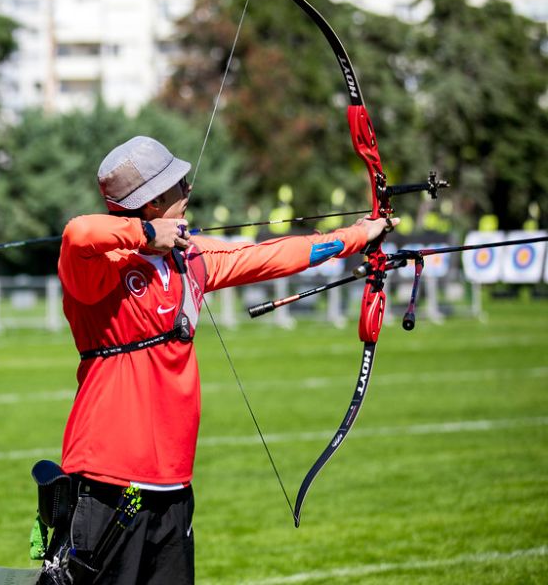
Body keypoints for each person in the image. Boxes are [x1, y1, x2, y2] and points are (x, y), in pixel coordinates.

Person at [50, 136, 396, 584]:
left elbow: (271, 256)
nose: (189, 190)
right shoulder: (100, 267)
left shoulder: (191, 258)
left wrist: (358, 236)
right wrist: (147, 236)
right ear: (154, 203)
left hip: (173, 480)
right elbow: (79, 232)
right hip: (110, 478)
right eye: (179, 185)